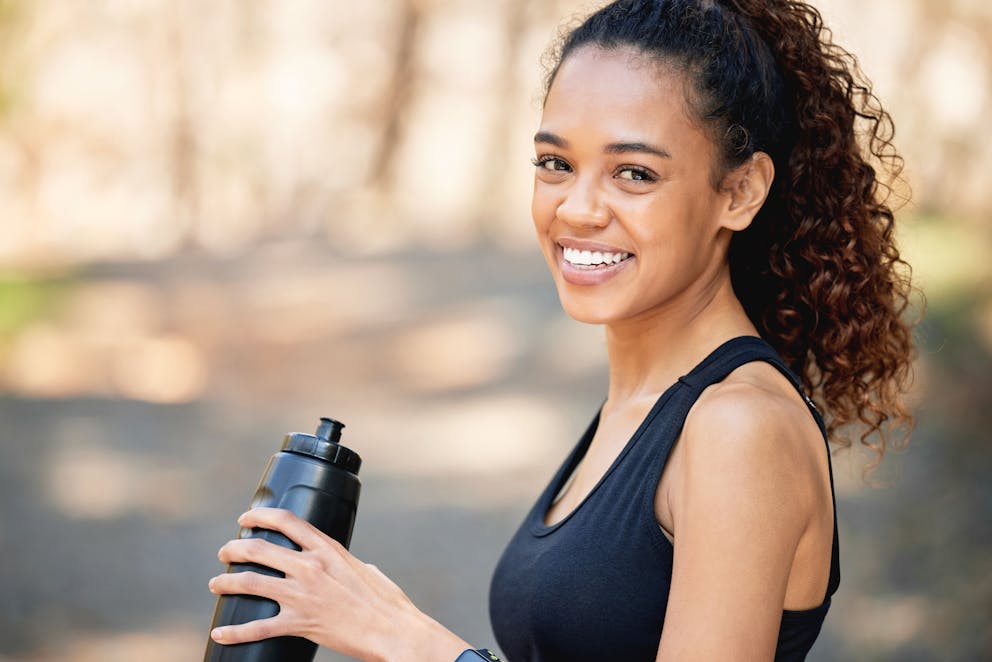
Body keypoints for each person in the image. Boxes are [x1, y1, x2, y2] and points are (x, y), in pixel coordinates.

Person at [206, 0, 915, 660]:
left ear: (739, 192)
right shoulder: (640, 406)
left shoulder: (740, 429)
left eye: (633, 173)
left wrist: (405, 638)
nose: (577, 208)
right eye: (556, 163)